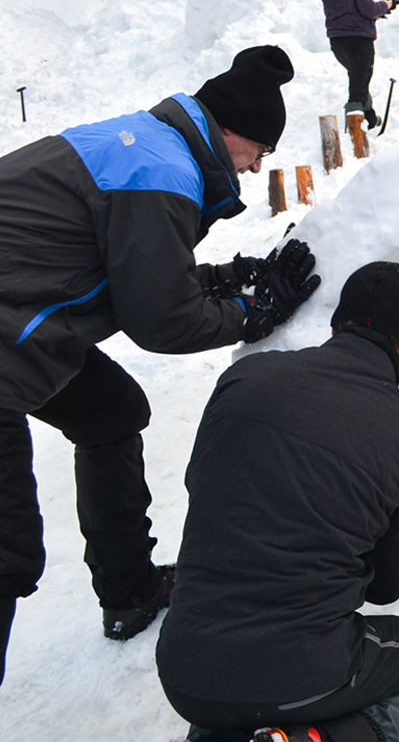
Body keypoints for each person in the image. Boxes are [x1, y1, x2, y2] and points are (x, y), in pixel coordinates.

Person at [0, 45, 322, 685]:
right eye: (259, 153)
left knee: (111, 409)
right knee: (5, 552)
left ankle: (129, 590)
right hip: (12, 332)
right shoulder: (162, 171)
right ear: (230, 133)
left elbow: (134, 272)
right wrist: (251, 316)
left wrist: (224, 278)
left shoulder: (150, 147)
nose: (258, 169)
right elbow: (160, 320)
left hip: (20, 319)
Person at [157, 262, 399, 742]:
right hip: (304, 673)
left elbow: (199, 483)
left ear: (335, 322)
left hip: (184, 671)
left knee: (244, 687)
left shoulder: (245, 378)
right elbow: (388, 586)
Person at [318, 0, 397, 130]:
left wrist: (375, 15)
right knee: (357, 87)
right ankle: (354, 135)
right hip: (359, 41)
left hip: (337, 41)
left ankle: (370, 119)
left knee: (359, 81)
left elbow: (346, 9)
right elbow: (367, 8)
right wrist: (386, 4)